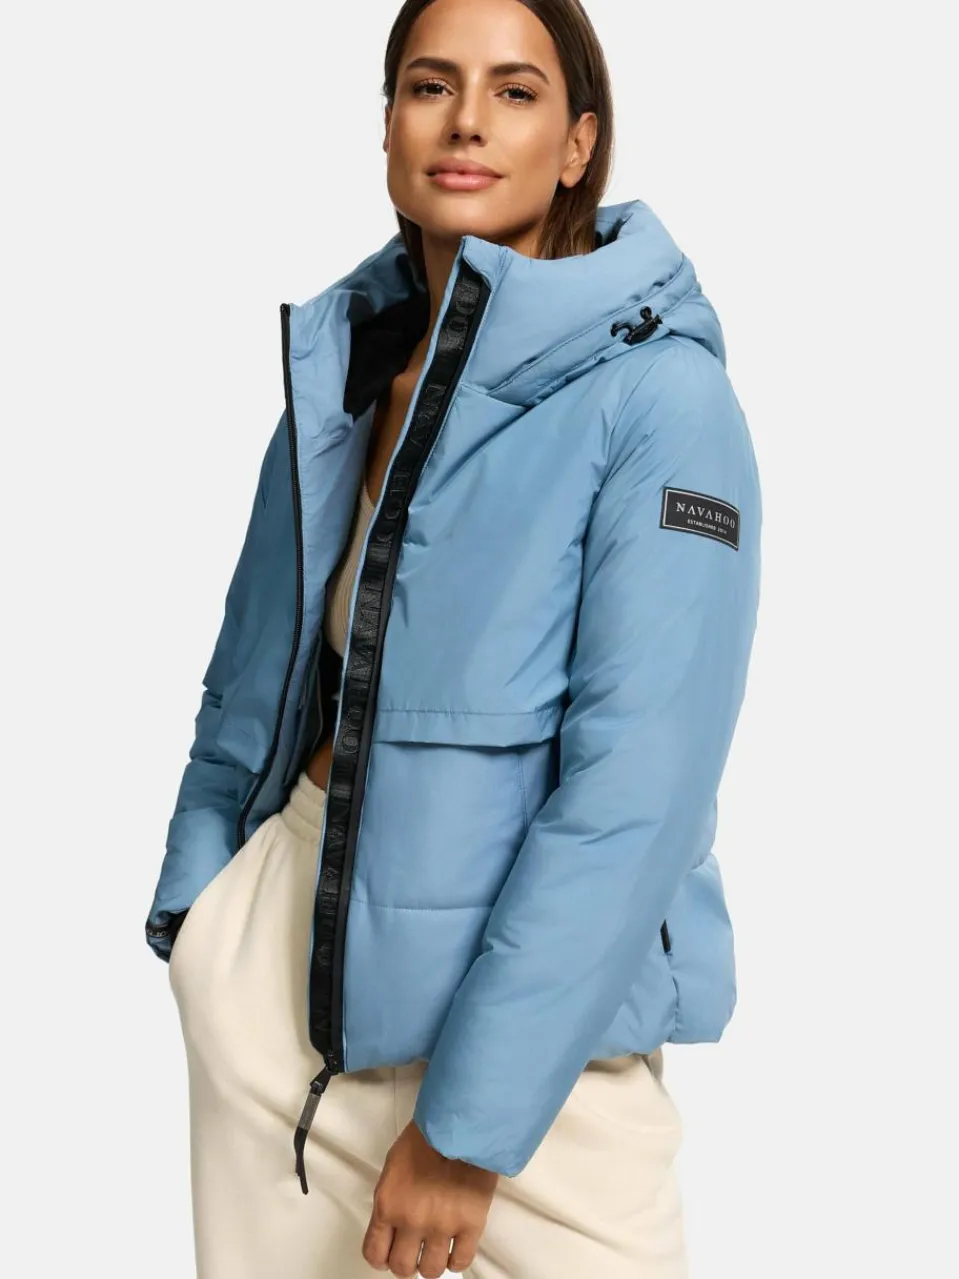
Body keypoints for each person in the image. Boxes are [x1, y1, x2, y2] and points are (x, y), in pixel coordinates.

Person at [144, 0, 762, 1274]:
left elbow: (635, 797)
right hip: (277, 1002)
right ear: (388, 126)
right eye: (431, 85)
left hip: (534, 1085)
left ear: (578, 143)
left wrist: (467, 1127)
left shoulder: (660, 399)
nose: (466, 121)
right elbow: (253, 679)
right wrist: (201, 917)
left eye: (514, 92)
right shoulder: (347, 374)